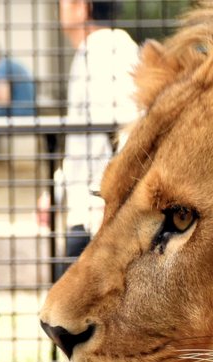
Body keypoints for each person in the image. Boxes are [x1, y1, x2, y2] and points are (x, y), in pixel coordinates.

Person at [39, 0, 139, 278]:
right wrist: (57, 191)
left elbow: (118, 129)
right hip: (93, 206)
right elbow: (87, 139)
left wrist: (104, 199)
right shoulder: (103, 48)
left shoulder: (101, 51)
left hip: (96, 211)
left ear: (80, 6)